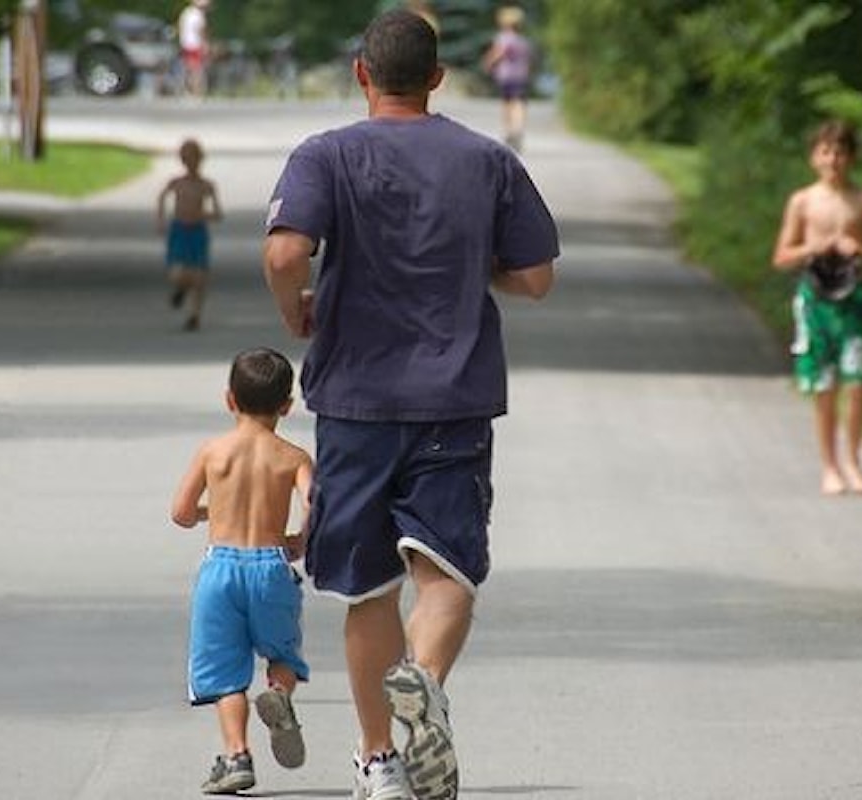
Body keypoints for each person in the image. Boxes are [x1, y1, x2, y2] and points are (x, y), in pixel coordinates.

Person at [262, 9, 558, 800]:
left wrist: (297, 310)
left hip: (355, 403)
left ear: (362, 73)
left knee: (365, 591)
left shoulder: (325, 156)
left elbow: (287, 250)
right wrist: (475, 266)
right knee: (447, 574)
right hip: (454, 400)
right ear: (437, 77)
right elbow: (534, 277)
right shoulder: (487, 160)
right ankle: (422, 676)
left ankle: (378, 763)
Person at [171, 346, 315, 795]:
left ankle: (236, 755)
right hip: (271, 565)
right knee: (282, 655)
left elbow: (179, 512)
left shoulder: (213, 452)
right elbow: (315, 505)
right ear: (287, 406)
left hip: (221, 570)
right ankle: (280, 695)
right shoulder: (293, 457)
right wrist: (301, 540)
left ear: (229, 399)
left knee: (225, 671)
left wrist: (210, 512)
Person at [771, 120, 862, 495]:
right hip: (816, 298)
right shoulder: (803, 201)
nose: (833, 159)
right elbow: (780, 257)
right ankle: (829, 466)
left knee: (857, 381)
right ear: (814, 157)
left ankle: (854, 460)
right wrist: (813, 247)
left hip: (854, 295)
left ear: (852, 157)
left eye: (840, 152)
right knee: (823, 384)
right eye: (826, 151)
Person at [157, 137, 222, 331]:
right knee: (179, 273)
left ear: (200, 159)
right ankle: (180, 288)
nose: (191, 162)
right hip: (179, 230)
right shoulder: (176, 183)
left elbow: (217, 213)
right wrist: (160, 220)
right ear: (182, 161)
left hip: (198, 232)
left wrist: (204, 214)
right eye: (187, 158)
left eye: (194, 158)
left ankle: (194, 316)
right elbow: (162, 197)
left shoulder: (207, 185)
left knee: (200, 276)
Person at [482, 6, 533, 152]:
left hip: (506, 76)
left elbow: (500, 52)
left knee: (507, 104)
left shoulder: (504, 37)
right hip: (521, 76)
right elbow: (528, 60)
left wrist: (488, 62)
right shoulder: (523, 40)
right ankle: (518, 129)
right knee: (519, 104)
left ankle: (510, 131)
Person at [177, 0, 211, 98]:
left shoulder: (186, 12)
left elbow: (180, 26)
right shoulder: (199, 15)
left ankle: (187, 89)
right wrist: (205, 44)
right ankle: (195, 91)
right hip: (195, 44)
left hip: (185, 43)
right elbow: (201, 30)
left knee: (189, 67)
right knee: (197, 68)